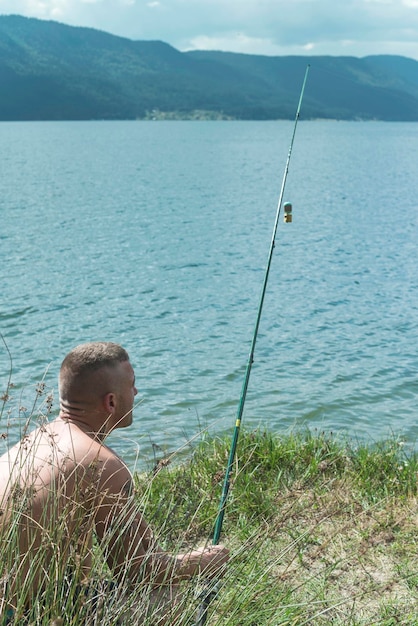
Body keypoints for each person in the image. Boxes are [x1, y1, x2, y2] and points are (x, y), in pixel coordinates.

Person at [0, 342, 229, 624]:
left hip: (19, 601)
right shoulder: (101, 464)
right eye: (132, 385)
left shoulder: (31, 444)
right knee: (167, 597)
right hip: (20, 616)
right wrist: (204, 561)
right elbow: (136, 572)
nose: (136, 392)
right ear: (111, 402)